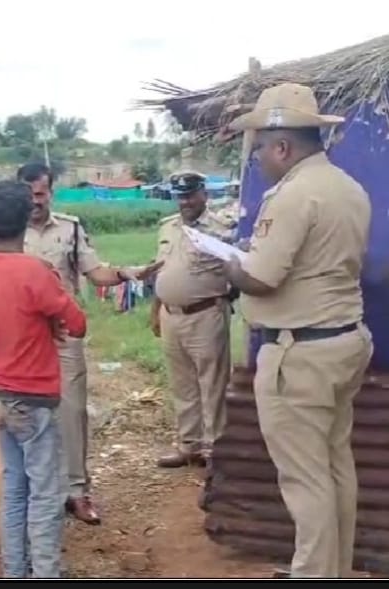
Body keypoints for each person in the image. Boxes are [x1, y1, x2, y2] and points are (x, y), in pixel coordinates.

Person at [224, 82, 372, 578]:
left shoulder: (291, 195)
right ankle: (334, 568)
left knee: (305, 480)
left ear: (282, 146)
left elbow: (263, 277)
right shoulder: (348, 187)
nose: (259, 157)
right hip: (344, 341)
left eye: (261, 146)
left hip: (300, 355)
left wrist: (229, 266)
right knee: (334, 467)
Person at [0, 162, 161, 525]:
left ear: (51, 192)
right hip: (24, 341)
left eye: (42, 193)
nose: (36, 200)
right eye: (29, 194)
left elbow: (94, 272)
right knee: (26, 418)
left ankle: (77, 491)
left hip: (63, 336)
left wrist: (125, 274)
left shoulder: (70, 228)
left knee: (72, 413)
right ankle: (37, 494)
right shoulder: (4, 234)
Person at [0, 180, 87, 578]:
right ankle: (46, 571)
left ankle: (15, 569)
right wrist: (54, 311)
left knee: (15, 486)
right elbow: (77, 323)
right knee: (46, 491)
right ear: (27, 217)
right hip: (34, 394)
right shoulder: (34, 271)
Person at [150, 171, 235, 468]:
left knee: (212, 385)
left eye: (190, 195)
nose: (185, 202)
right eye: (180, 196)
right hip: (171, 314)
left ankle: (215, 449)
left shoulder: (221, 230)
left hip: (206, 314)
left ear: (204, 194)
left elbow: (238, 267)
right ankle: (189, 445)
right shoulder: (167, 228)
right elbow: (160, 271)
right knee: (182, 384)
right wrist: (155, 311)